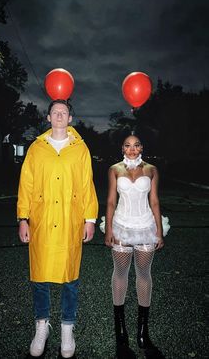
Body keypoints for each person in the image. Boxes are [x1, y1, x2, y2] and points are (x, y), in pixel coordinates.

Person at [17, 99, 98, 358]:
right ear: (49, 118)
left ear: (70, 118)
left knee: (69, 278)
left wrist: (90, 219)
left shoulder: (80, 149)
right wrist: (23, 218)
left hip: (69, 221)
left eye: (64, 112)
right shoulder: (36, 148)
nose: (59, 115)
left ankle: (67, 328)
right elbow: (26, 184)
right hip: (41, 221)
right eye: (55, 112)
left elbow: (87, 185)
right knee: (40, 278)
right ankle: (42, 326)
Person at [105, 134, 168, 359]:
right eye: (128, 145)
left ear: (142, 147)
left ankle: (143, 332)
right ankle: (120, 332)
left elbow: (155, 201)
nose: (132, 149)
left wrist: (159, 231)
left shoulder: (152, 169)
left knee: (143, 273)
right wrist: (109, 229)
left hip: (145, 225)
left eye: (137, 145)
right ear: (122, 147)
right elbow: (111, 201)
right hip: (121, 225)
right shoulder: (114, 169)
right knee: (120, 273)